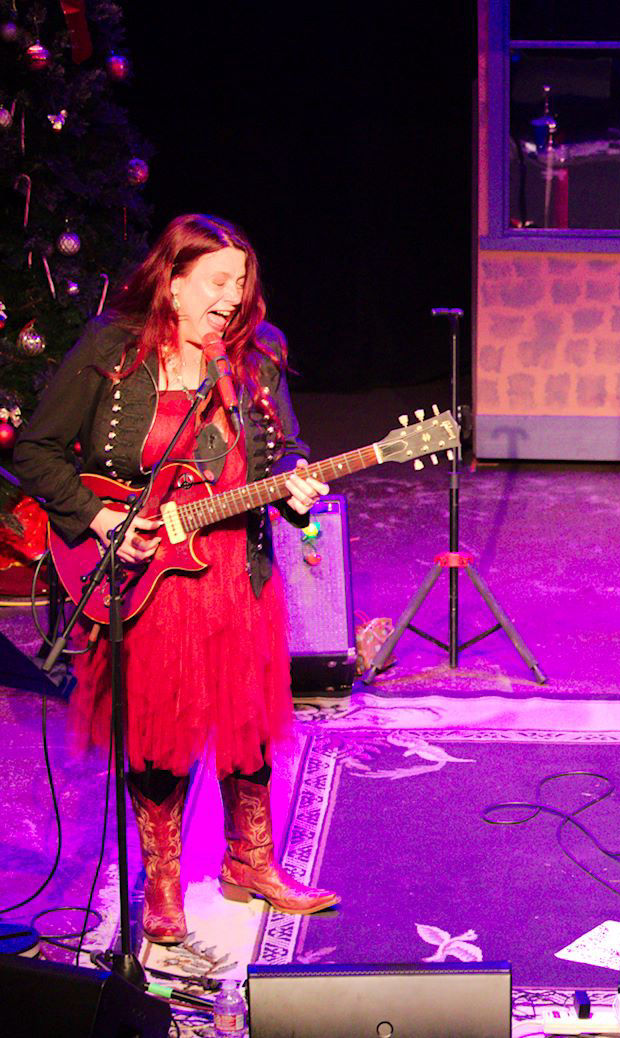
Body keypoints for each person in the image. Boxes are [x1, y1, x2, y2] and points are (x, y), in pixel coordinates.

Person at [14, 214, 339, 945]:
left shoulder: (259, 354)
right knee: (158, 732)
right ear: (174, 279)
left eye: (243, 282)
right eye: (219, 281)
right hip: (144, 575)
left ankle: (250, 863)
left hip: (235, 569)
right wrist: (101, 521)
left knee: (248, 721)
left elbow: (286, 448)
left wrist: (294, 485)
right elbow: (34, 451)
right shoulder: (114, 348)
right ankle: (162, 884)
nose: (234, 296)